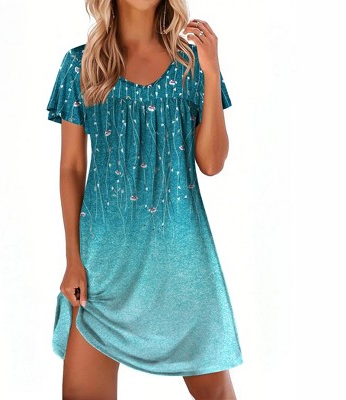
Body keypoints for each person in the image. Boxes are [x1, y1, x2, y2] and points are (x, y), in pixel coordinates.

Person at [46, 0, 243, 398]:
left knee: (215, 393)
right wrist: (73, 260)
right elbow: (71, 168)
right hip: (103, 266)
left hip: (179, 261)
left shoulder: (191, 66)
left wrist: (211, 70)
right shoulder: (81, 65)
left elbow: (212, 162)